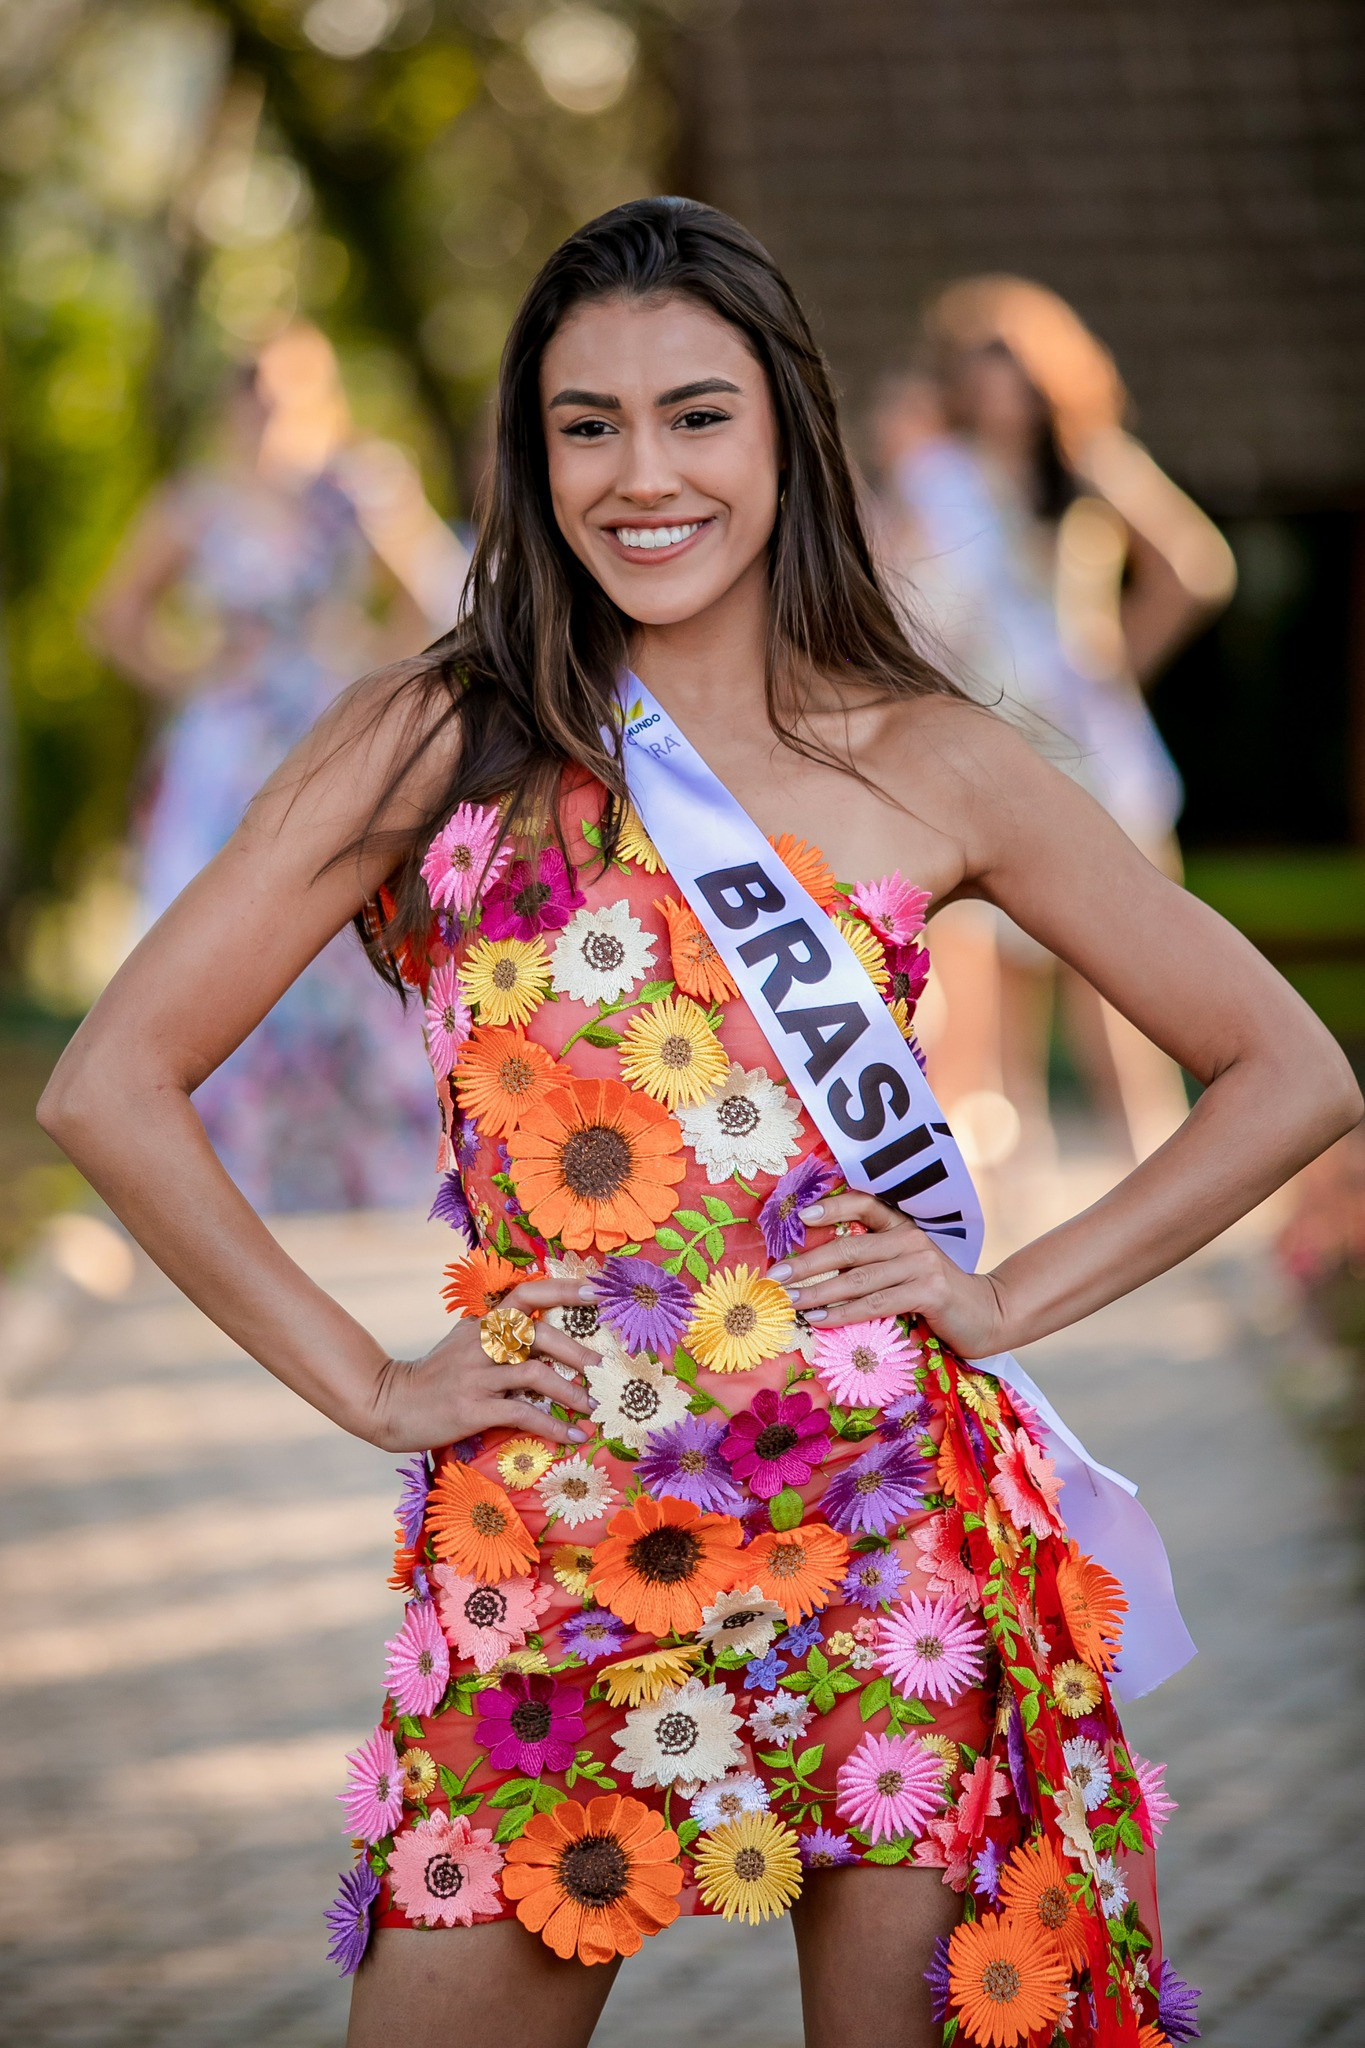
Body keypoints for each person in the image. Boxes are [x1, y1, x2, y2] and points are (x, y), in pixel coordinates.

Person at [39, 201, 1357, 2048]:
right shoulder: (432, 738)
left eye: (695, 415)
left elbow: (1292, 1067)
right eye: (588, 424)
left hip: (883, 1532)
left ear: (789, 432)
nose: (640, 474)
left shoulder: (931, 754)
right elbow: (108, 1082)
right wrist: (365, 1382)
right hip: (549, 1522)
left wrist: (1006, 1295)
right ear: (534, 450)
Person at [87, 322, 469, 1211]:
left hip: (329, 735)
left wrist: (366, 672)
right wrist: (196, 674)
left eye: (285, 390)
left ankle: (367, 1162)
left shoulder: (357, 490)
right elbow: (115, 616)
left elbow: (428, 599)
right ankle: (229, 1161)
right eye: (253, 391)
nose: (267, 408)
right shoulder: (197, 504)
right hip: (228, 756)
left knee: (345, 933)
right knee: (220, 930)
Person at [874, 281, 1238, 1171]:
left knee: (1116, 994)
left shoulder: (1090, 461)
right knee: (993, 1008)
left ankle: (1160, 1185)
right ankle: (1023, 1229)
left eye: (1016, 366)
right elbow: (901, 596)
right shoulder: (945, 476)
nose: (1000, 388)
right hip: (992, 753)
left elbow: (1193, 568)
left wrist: (1114, 665)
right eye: (980, 366)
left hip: (1093, 757)